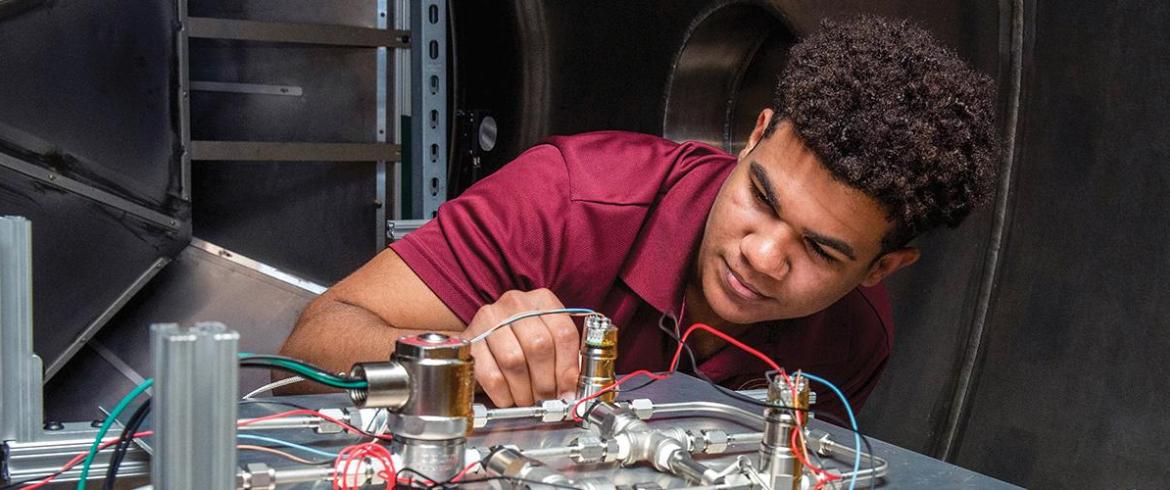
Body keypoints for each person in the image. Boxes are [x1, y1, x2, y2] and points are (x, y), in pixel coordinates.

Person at [279, 16, 998, 417]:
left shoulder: (856, 335)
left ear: (884, 267)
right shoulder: (567, 197)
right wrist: (454, 355)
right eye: (762, 198)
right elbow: (312, 345)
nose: (764, 255)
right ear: (754, 135)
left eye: (821, 250)